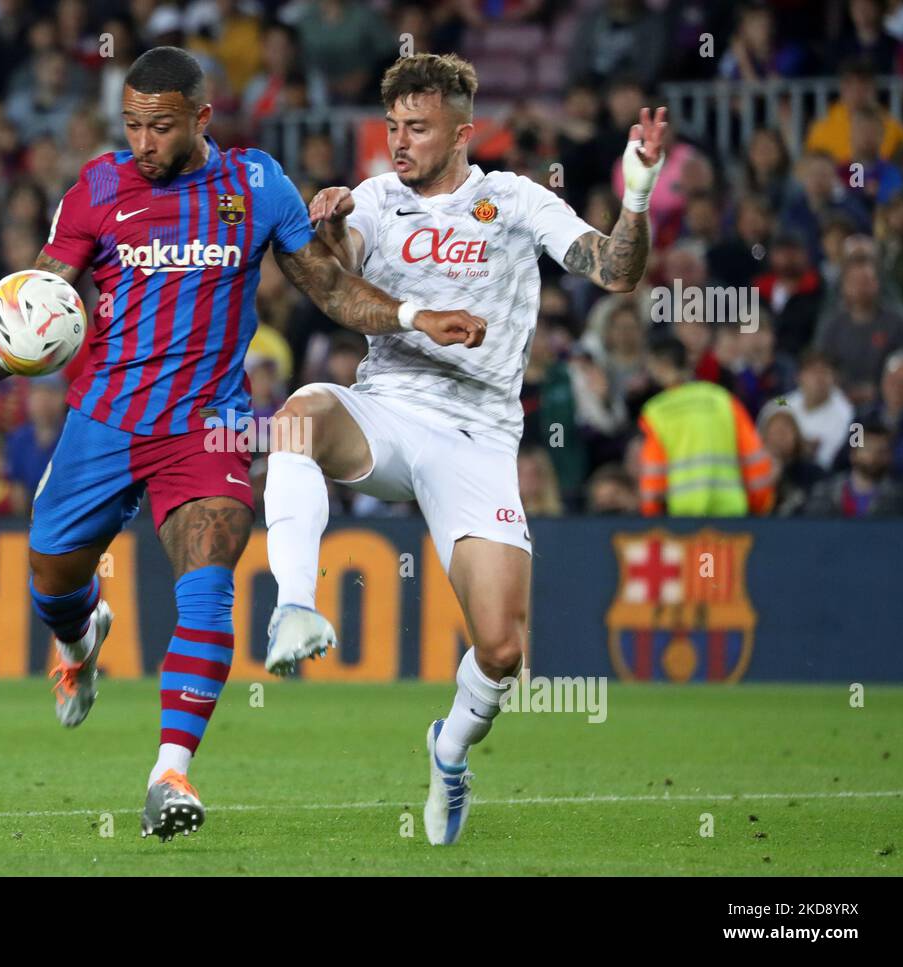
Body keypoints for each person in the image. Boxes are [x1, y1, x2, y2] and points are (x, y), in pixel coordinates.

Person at [0, 46, 482, 843]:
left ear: (201, 118)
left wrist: (413, 316)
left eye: (160, 126)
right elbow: (35, 305)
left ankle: (170, 770)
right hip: (104, 422)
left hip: (207, 428)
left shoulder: (254, 186)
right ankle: (80, 638)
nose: (144, 142)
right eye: (132, 126)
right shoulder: (98, 188)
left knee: (209, 585)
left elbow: (328, 285)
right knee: (50, 575)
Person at [258, 53, 663, 846]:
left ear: (461, 131)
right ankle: (296, 607)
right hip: (389, 411)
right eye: (392, 127)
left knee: (504, 647)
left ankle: (448, 751)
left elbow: (616, 270)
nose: (399, 142)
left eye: (417, 127)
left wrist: (638, 191)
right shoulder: (378, 198)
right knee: (298, 416)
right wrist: (333, 225)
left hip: (479, 438)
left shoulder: (512, 201)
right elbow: (339, 287)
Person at [637, 339, 775, 517]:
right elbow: (753, 457)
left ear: (661, 364)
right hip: (731, 515)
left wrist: (651, 514)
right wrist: (761, 505)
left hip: (683, 519)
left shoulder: (657, 412)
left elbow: (654, 475)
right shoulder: (723, 400)